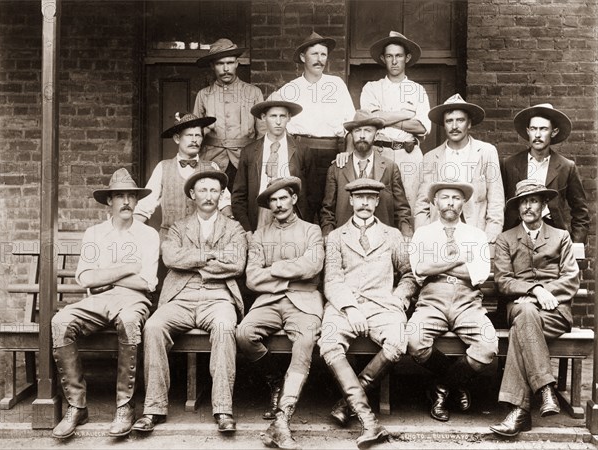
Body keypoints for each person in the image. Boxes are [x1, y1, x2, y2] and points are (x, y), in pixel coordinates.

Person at [132, 165, 247, 434]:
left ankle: (223, 409)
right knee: (153, 326)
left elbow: (237, 263)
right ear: (192, 194)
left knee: (224, 327)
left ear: (221, 195)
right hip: (180, 296)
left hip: (219, 296)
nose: (209, 195)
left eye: (214, 190)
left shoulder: (234, 228)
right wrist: (209, 256)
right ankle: (153, 408)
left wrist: (192, 258)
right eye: (203, 190)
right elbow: (171, 257)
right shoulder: (177, 227)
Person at [50, 168, 158, 439]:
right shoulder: (94, 233)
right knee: (60, 321)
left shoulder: (148, 235)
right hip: (98, 300)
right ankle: (76, 405)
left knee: (130, 321)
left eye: (130, 196)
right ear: (109, 202)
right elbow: (86, 278)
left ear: (136, 201)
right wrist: (125, 268)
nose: (125, 202)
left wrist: (107, 277)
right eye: (119, 196)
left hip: (134, 300)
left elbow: (146, 282)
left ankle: (124, 406)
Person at [318, 178, 417, 448]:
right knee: (328, 341)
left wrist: (398, 299)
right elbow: (332, 280)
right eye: (358, 197)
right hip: (344, 305)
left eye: (369, 198)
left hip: (382, 305)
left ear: (377, 202)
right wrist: (350, 308)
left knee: (398, 340)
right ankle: (368, 420)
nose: (364, 203)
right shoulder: (337, 236)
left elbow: (408, 275)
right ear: (350, 201)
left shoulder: (392, 235)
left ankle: (346, 404)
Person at [236, 177, 324, 449]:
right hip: (269, 301)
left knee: (305, 340)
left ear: (294, 199)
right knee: (243, 334)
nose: (278, 204)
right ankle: (275, 380)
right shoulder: (259, 235)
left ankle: (283, 415)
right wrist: (290, 273)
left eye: (283, 198)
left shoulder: (312, 230)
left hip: (305, 302)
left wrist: (273, 268)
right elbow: (252, 278)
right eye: (272, 200)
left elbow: (313, 267)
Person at [489, 179, 580, 437]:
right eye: (523, 202)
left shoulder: (561, 237)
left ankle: (520, 412)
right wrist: (533, 290)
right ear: (518, 208)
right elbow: (503, 281)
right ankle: (545, 389)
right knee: (525, 315)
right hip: (519, 307)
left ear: (544, 204)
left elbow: (571, 278)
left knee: (523, 325)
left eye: (533, 201)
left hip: (554, 312)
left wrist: (542, 295)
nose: (528, 207)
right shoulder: (506, 239)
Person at [407, 181, 497, 422]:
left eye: (455, 198)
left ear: (463, 202)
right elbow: (421, 269)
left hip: (467, 301)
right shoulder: (423, 233)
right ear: (435, 202)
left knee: (488, 346)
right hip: (432, 299)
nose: (449, 202)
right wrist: (459, 259)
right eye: (444, 197)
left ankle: (441, 387)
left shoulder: (475, 235)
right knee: (414, 340)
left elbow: (478, 274)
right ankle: (457, 384)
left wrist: (438, 265)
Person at [268, 31, 356, 219]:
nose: (320, 59)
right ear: (303, 57)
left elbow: (351, 126)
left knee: (330, 203)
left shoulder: (337, 85)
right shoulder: (290, 89)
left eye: (323, 54)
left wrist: (347, 153)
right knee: (302, 203)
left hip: (331, 153)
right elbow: (268, 117)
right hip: (300, 152)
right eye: (314, 54)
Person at [415, 93, 505, 243]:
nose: (455, 126)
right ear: (444, 124)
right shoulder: (431, 157)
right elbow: (422, 203)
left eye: (460, 120)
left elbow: (496, 198)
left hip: (476, 232)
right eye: (449, 121)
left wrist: (491, 234)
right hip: (440, 234)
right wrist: (423, 235)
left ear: (469, 124)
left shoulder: (486, 152)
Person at [359, 31, 431, 212]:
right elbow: (370, 120)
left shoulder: (417, 90)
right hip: (379, 151)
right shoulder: (372, 88)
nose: (394, 61)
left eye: (398, 56)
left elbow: (420, 126)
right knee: (378, 203)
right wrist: (406, 113)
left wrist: (385, 119)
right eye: (389, 56)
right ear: (383, 58)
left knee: (412, 205)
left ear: (407, 57)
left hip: (408, 154)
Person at [134, 112, 232, 241]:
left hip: (202, 241)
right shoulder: (163, 168)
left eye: (198, 135)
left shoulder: (212, 167)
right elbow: (144, 207)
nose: (194, 140)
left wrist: (230, 229)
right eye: (189, 135)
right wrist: (129, 233)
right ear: (177, 138)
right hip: (169, 241)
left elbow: (224, 204)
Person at [502, 103, 589, 244]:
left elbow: (580, 212)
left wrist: (576, 244)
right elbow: (499, 204)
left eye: (543, 129)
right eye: (533, 129)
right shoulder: (510, 164)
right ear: (527, 131)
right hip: (517, 235)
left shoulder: (566, 167)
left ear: (553, 132)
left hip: (554, 235)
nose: (537, 135)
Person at [320, 109, 412, 238]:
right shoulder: (337, 168)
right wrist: (328, 239)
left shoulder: (390, 167)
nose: (362, 136)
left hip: (382, 242)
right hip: (345, 241)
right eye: (357, 131)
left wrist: (406, 236)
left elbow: (402, 210)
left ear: (376, 134)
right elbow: (327, 211)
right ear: (352, 134)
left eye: (367, 131)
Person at [232, 100, 316, 235]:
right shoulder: (250, 152)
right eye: (273, 116)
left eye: (282, 116)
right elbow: (239, 196)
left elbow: (313, 195)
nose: (278, 122)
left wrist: (306, 222)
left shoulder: (302, 150)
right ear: (264, 117)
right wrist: (247, 228)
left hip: (292, 213)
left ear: (289, 117)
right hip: (260, 214)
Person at [193, 38, 265, 189]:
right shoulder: (203, 95)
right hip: (211, 160)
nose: (226, 68)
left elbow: (262, 133)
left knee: (242, 205)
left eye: (230, 63)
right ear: (212, 66)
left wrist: (256, 161)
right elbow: (194, 134)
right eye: (220, 64)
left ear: (237, 63)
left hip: (245, 161)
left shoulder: (253, 93)